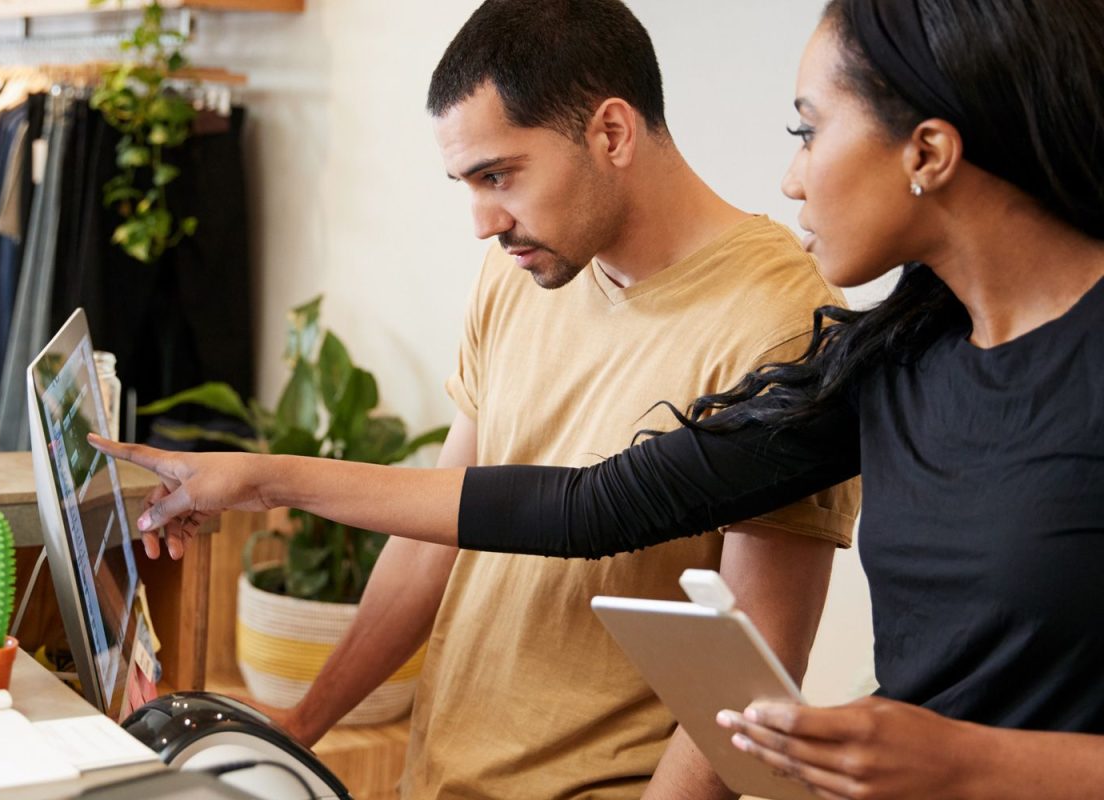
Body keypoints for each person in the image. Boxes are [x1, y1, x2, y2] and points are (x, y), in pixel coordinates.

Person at [92, 0, 1104, 797]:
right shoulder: (895, 358)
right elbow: (586, 504)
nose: (791, 176)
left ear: (927, 151)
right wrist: (261, 478)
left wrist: (966, 763)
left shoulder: (806, 314)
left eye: (807, 130)